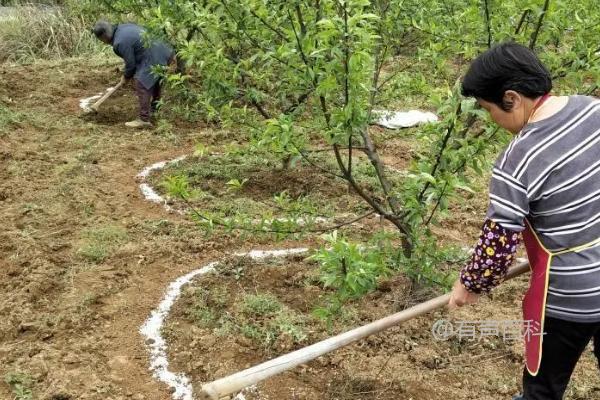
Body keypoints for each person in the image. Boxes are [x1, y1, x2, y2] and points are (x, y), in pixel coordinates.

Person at [448, 41, 600, 400]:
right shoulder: (592, 110)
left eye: (488, 109)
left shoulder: (517, 160)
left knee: (542, 389)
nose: (492, 120)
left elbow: (499, 242)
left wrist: (469, 285)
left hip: (571, 296)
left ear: (511, 98)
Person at [92, 21, 175, 128]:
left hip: (152, 55)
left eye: (101, 40)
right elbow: (133, 59)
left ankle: (144, 119)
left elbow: (131, 65)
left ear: (104, 36)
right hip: (166, 52)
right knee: (155, 80)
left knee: (141, 82)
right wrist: (128, 73)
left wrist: (126, 76)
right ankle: (155, 110)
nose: (103, 42)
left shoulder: (119, 42)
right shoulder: (124, 27)